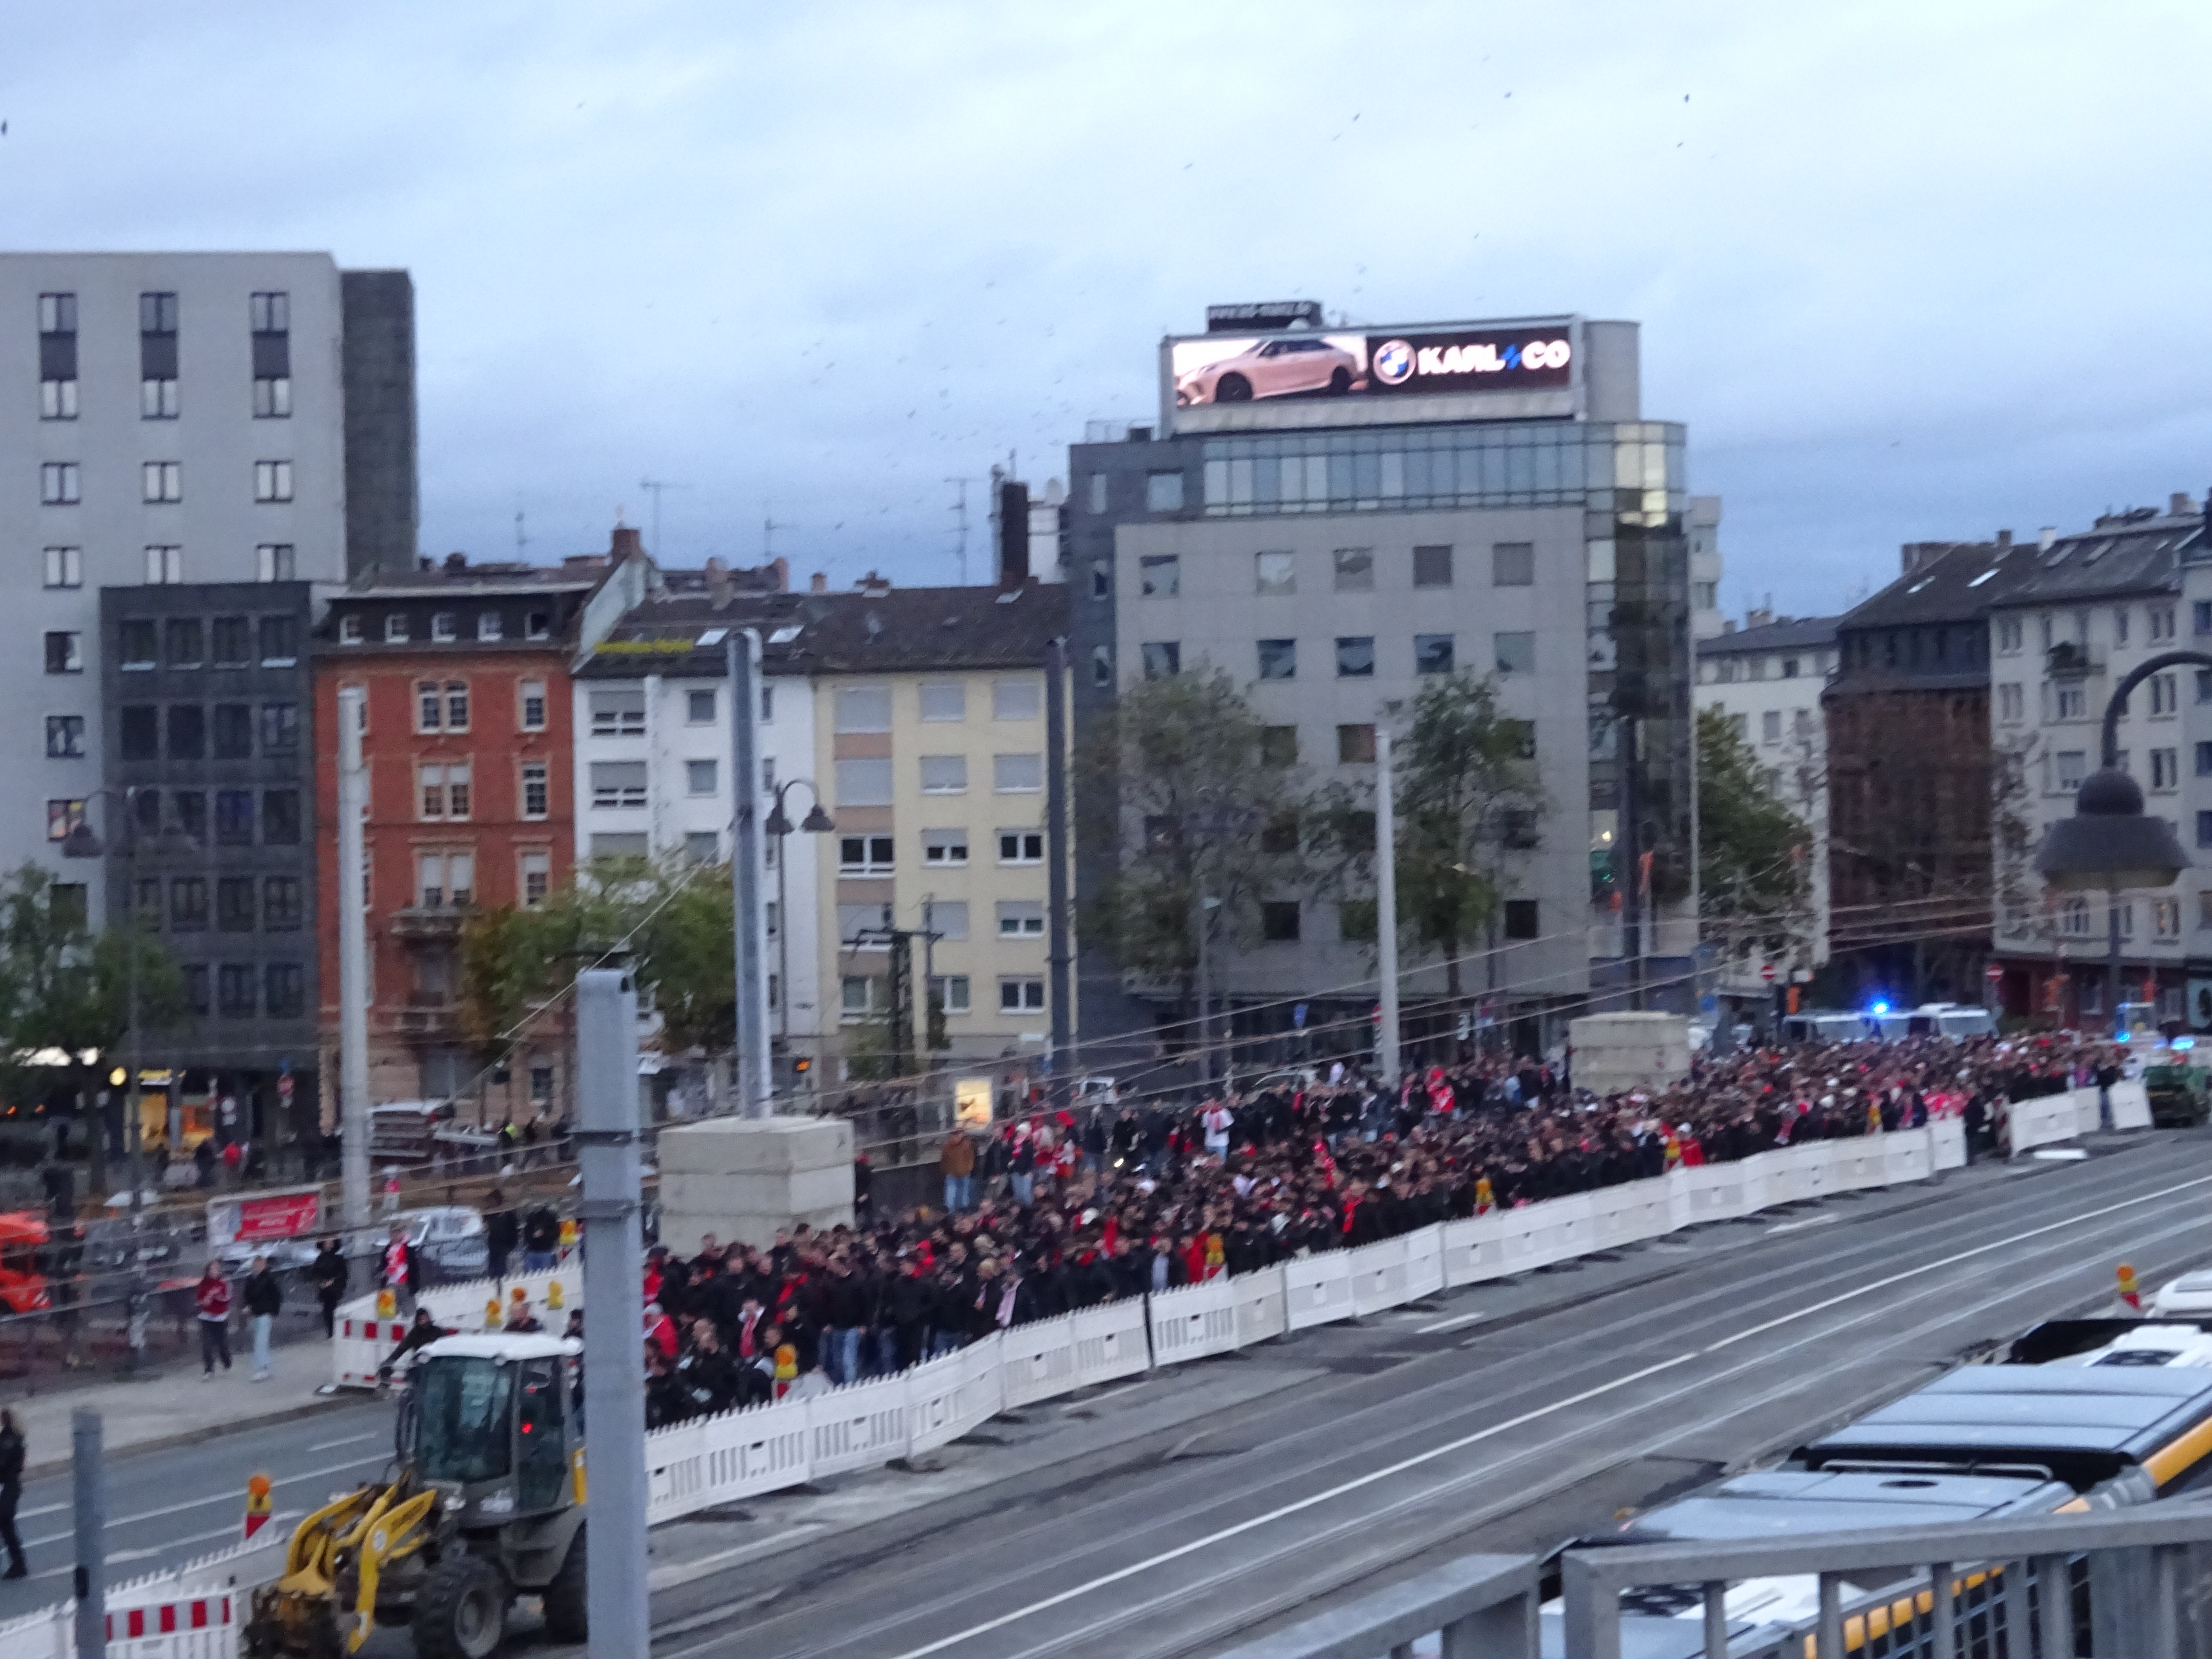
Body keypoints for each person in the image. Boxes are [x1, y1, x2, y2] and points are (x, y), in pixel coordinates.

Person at [378, 1308, 447, 1385]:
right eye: (421, 1319)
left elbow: (446, 1349)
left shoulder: (438, 1332)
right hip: (419, 1367)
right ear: (417, 1320)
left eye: (425, 1318)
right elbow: (401, 1350)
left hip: (436, 1367)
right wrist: (387, 1364)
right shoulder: (415, 1333)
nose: (423, 1320)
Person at [243, 1254, 282, 1381]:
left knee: (260, 1342)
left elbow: (276, 1297)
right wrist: (247, 1306)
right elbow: (247, 1296)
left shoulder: (269, 1279)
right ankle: (265, 1367)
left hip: (264, 1313)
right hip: (256, 1314)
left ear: (264, 1266)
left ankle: (262, 1369)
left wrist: (273, 1312)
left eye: (260, 1265)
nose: (258, 1267)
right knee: (260, 1342)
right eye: (257, 1265)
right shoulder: (252, 1279)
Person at [194, 1261, 232, 1378]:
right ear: (208, 1271)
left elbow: (228, 1298)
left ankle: (226, 1360)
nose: (216, 1272)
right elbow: (199, 1300)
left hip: (221, 1317)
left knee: (221, 1343)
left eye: (217, 1269)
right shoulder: (203, 1284)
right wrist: (204, 1301)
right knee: (207, 1344)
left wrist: (218, 1298)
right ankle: (209, 1369)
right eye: (213, 1270)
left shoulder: (224, 1282)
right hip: (207, 1317)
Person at [309, 1238, 348, 1338]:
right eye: (327, 1243)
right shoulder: (320, 1259)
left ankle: (333, 1330)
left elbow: (342, 1273)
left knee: (332, 1309)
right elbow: (315, 1273)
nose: (328, 1245)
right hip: (325, 1289)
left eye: (331, 1243)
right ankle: (331, 1331)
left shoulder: (338, 1258)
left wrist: (332, 1281)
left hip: (334, 1288)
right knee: (327, 1310)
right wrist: (322, 1282)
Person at [0, 1410, 22, 1578]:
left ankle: (19, 1565)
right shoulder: (14, 1436)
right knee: (7, 1527)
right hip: (11, 1485)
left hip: (8, 1486)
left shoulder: (8, 1439)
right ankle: (18, 1564)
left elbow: (3, 1462)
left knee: (6, 1524)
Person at [485, 1188, 519, 1281]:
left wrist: (511, 1245)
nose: (490, 1204)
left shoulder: (508, 1215)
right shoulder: (490, 1214)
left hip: (505, 1245)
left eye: (492, 1201)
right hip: (494, 1246)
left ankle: (501, 1281)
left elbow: (514, 1231)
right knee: (493, 1269)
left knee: (501, 1268)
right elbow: (485, 1224)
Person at [940, 1127, 976, 1213]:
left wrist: (946, 1170)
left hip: (957, 1172)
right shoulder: (966, 1144)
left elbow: (944, 1160)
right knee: (961, 1194)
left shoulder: (948, 1145)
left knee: (954, 1194)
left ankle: (953, 1211)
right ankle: (959, 1211)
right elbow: (971, 1158)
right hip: (959, 1173)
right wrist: (969, 1168)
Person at [521, 1204, 560, 1272]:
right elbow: (527, 1233)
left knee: (540, 1274)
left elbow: (555, 1234)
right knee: (539, 1274)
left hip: (543, 1251)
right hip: (534, 1251)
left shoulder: (549, 1218)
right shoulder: (532, 1218)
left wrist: (543, 1234)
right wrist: (533, 1236)